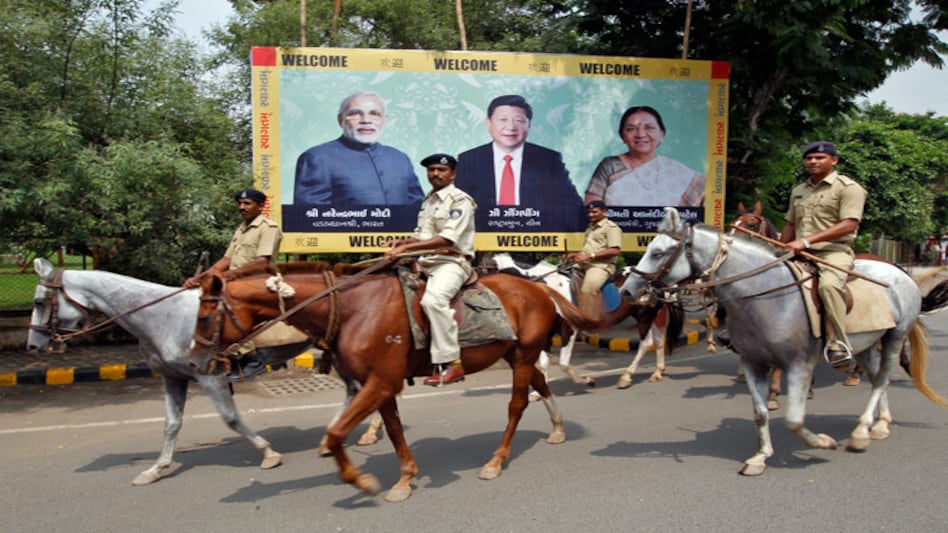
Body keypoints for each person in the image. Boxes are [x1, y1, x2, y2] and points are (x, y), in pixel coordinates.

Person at [385, 154, 476, 386]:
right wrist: (402, 241)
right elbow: (422, 234)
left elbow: (447, 239)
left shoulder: (460, 200)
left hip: (452, 263)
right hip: (425, 262)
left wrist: (408, 247)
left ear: (452, 174)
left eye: (441, 170)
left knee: (433, 301)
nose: (435, 174)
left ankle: (452, 363)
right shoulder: (429, 200)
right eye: (431, 170)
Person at [780, 141, 867, 371]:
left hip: (833, 252)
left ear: (834, 160)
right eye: (809, 158)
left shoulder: (848, 188)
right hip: (798, 251)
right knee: (760, 277)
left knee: (828, 286)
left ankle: (838, 343)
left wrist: (807, 241)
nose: (813, 162)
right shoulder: (799, 190)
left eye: (819, 158)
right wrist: (778, 250)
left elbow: (849, 224)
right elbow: (790, 224)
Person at [184, 188, 283, 380]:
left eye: (247, 203)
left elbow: (262, 261)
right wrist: (201, 278)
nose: (242, 207)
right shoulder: (241, 229)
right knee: (207, 303)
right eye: (240, 203)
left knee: (231, 310)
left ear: (260, 206)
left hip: (256, 281)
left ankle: (253, 358)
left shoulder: (268, 228)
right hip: (235, 280)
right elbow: (225, 259)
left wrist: (228, 276)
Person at [454, 94, 586, 232]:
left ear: (529, 125)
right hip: (484, 235)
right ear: (489, 123)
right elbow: (457, 206)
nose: (511, 127)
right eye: (503, 119)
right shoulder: (469, 159)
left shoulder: (548, 159)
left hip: (533, 236)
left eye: (519, 120)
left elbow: (572, 205)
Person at [294, 91, 424, 206]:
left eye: (375, 114)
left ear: (385, 120)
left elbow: (419, 210)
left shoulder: (399, 158)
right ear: (341, 120)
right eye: (355, 113)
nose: (366, 120)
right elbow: (310, 218)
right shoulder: (318, 158)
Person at [584, 106, 706, 207]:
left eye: (649, 128)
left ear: (661, 134)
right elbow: (592, 205)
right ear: (622, 136)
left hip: (667, 236)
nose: (641, 134)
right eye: (631, 129)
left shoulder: (677, 171)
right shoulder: (610, 166)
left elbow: (702, 204)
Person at [564, 200, 622, 317]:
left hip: (600, 266)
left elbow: (615, 250)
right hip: (584, 264)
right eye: (589, 212)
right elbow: (591, 248)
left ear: (604, 212)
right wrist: (576, 254)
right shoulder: (591, 227)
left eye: (594, 212)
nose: (591, 215)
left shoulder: (611, 228)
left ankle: (589, 322)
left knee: (587, 291)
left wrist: (589, 256)